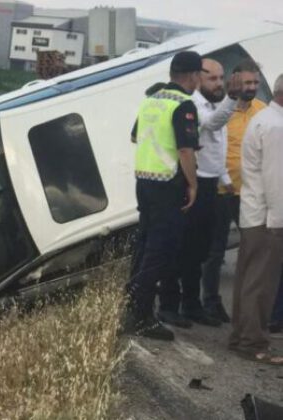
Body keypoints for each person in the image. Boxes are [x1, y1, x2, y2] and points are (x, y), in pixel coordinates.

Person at [158, 59, 243, 328]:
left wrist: (225, 178)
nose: (218, 84)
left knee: (200, 249)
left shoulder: (216, 104)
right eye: (213, 79)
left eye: (221, 78)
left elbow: (218, 145)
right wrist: (232, 98)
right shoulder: (193, 104)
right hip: (190, 182)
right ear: (198, 77)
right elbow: (212, 126)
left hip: (211, 184)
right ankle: (170, 305)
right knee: (181, 247)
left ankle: (192, 304)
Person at [124, 51, 202, 341]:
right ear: (194, 75)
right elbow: (185, 150)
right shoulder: (184, 104)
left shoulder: (151, 100)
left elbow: (135, 136)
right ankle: (137, 313)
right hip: (168, 184)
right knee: (160, 252)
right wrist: (192, 184)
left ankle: (135, 307)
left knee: (145, 247)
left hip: (144, 180)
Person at [202, 60, 267, 323]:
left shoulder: (263, 112)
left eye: (254, 83)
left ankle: (250, 305)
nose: (249, 87)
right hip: (220, 191)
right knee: (215, 252)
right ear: (234, 83)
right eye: (245, 83)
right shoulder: (220, 113)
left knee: (253, 250)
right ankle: (210, 302)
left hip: (250, 193)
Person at [229, 74, 283, 365]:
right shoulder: (276, 126)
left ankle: (241, 336)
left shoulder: (265, 119)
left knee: (248, 280)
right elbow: (277, 180)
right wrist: (278, 222)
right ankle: (253, 342)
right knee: (261, 283)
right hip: (268, 217)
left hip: (254, 212)